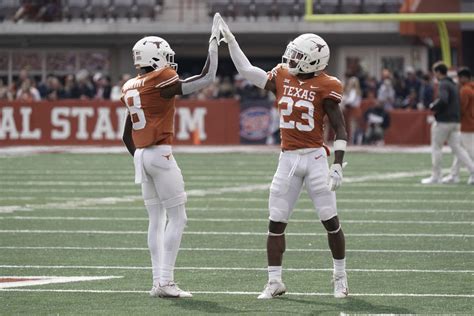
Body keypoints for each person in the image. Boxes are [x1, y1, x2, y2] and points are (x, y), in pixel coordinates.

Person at [217, 14, 349, 299]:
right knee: (275, 222)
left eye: (299, 55)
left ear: (315, 61)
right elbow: (248, 71)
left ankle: (340, 277)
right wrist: (233, 42)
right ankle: (274, 281)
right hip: (287, 159)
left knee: (330, 219)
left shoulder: (327, 85)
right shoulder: (282, 74)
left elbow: (340, 128)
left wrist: (337, 165)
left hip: (314, 158)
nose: (292, 58)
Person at [120, 13, 221, 298]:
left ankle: (157, 282)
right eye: (164, 56)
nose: (169, 62)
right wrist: (213, 43)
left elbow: (125, 135)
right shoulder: (161, 78)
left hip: (141, 154)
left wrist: (142, 156)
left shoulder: (129, 86)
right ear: (154, 58)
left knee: (156, 219)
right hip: (159, 154)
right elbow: (207, 77)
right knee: (178, 218)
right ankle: (166, 281)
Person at [421, 61, 474, 185]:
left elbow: (443, 100)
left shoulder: (444, 84)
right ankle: (471, 171)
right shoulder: (454, 85)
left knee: (436, 147)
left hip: (445, 121)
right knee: (459, 149)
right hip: (456, 122)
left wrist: (433, 106)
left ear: (438, 72)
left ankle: (436, 176)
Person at [442, 67, 474, 184]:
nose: (458, 80)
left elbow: (461, 109)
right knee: (460, 151)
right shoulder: (471, 88)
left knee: (469, 151)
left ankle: (470, 173)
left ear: (464, 77)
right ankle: (454, 174)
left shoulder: (465, 90)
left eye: (459, 77)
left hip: (467, 124)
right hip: (470, 123)